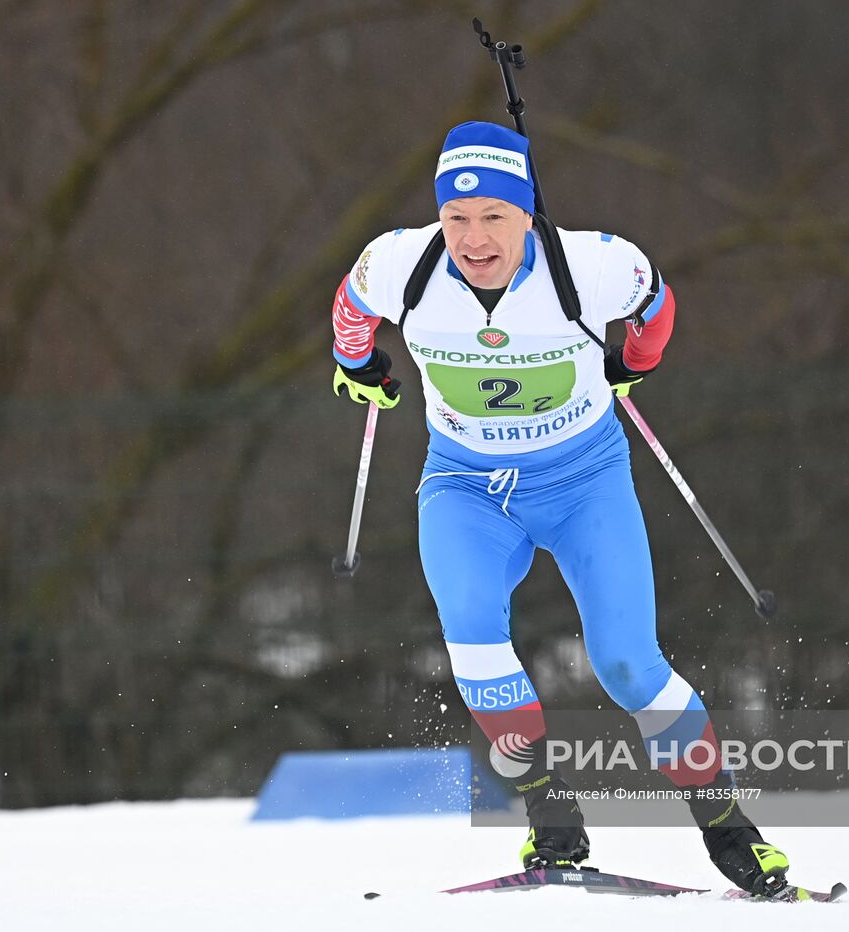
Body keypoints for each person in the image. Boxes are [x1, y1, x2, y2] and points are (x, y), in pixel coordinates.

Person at [330, 120, 791, 896]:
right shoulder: (399, 263)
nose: (473, 240)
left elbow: (658, 305)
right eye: (457, 219)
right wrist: (356, 366)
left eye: (494, 219)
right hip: (465, 487)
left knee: (625, 662)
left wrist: (633, 361)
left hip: (583, 480)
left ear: (529, 213)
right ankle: (553, 822)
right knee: (472, 635)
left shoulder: (594, 266)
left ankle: (729, 831)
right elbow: (350, 309)